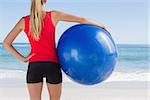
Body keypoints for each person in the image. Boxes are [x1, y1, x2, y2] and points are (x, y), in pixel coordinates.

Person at [2, 0, 108, 100]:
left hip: (34, 66)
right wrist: (101, 25)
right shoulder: (54, 15)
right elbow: (82, 20)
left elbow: (6, 43)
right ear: (45, 0)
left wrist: (23, 58)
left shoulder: (24, 21)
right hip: (52, 66)